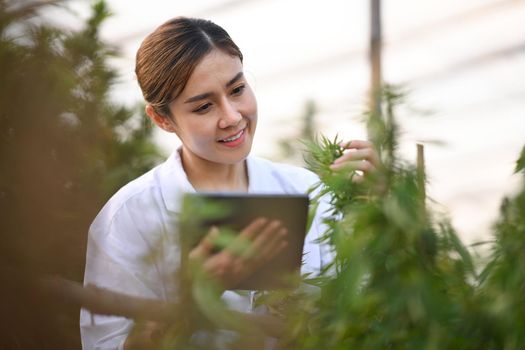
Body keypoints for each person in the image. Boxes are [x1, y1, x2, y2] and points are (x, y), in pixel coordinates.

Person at [80, 17, 380, 350]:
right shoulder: (129, 218)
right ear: (162, 119)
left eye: (237, 90)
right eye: (204, 106)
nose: (233, 117)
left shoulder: (307, 191)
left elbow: (367, 315)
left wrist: (380, 211)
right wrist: (191, 301)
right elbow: (105, 345)